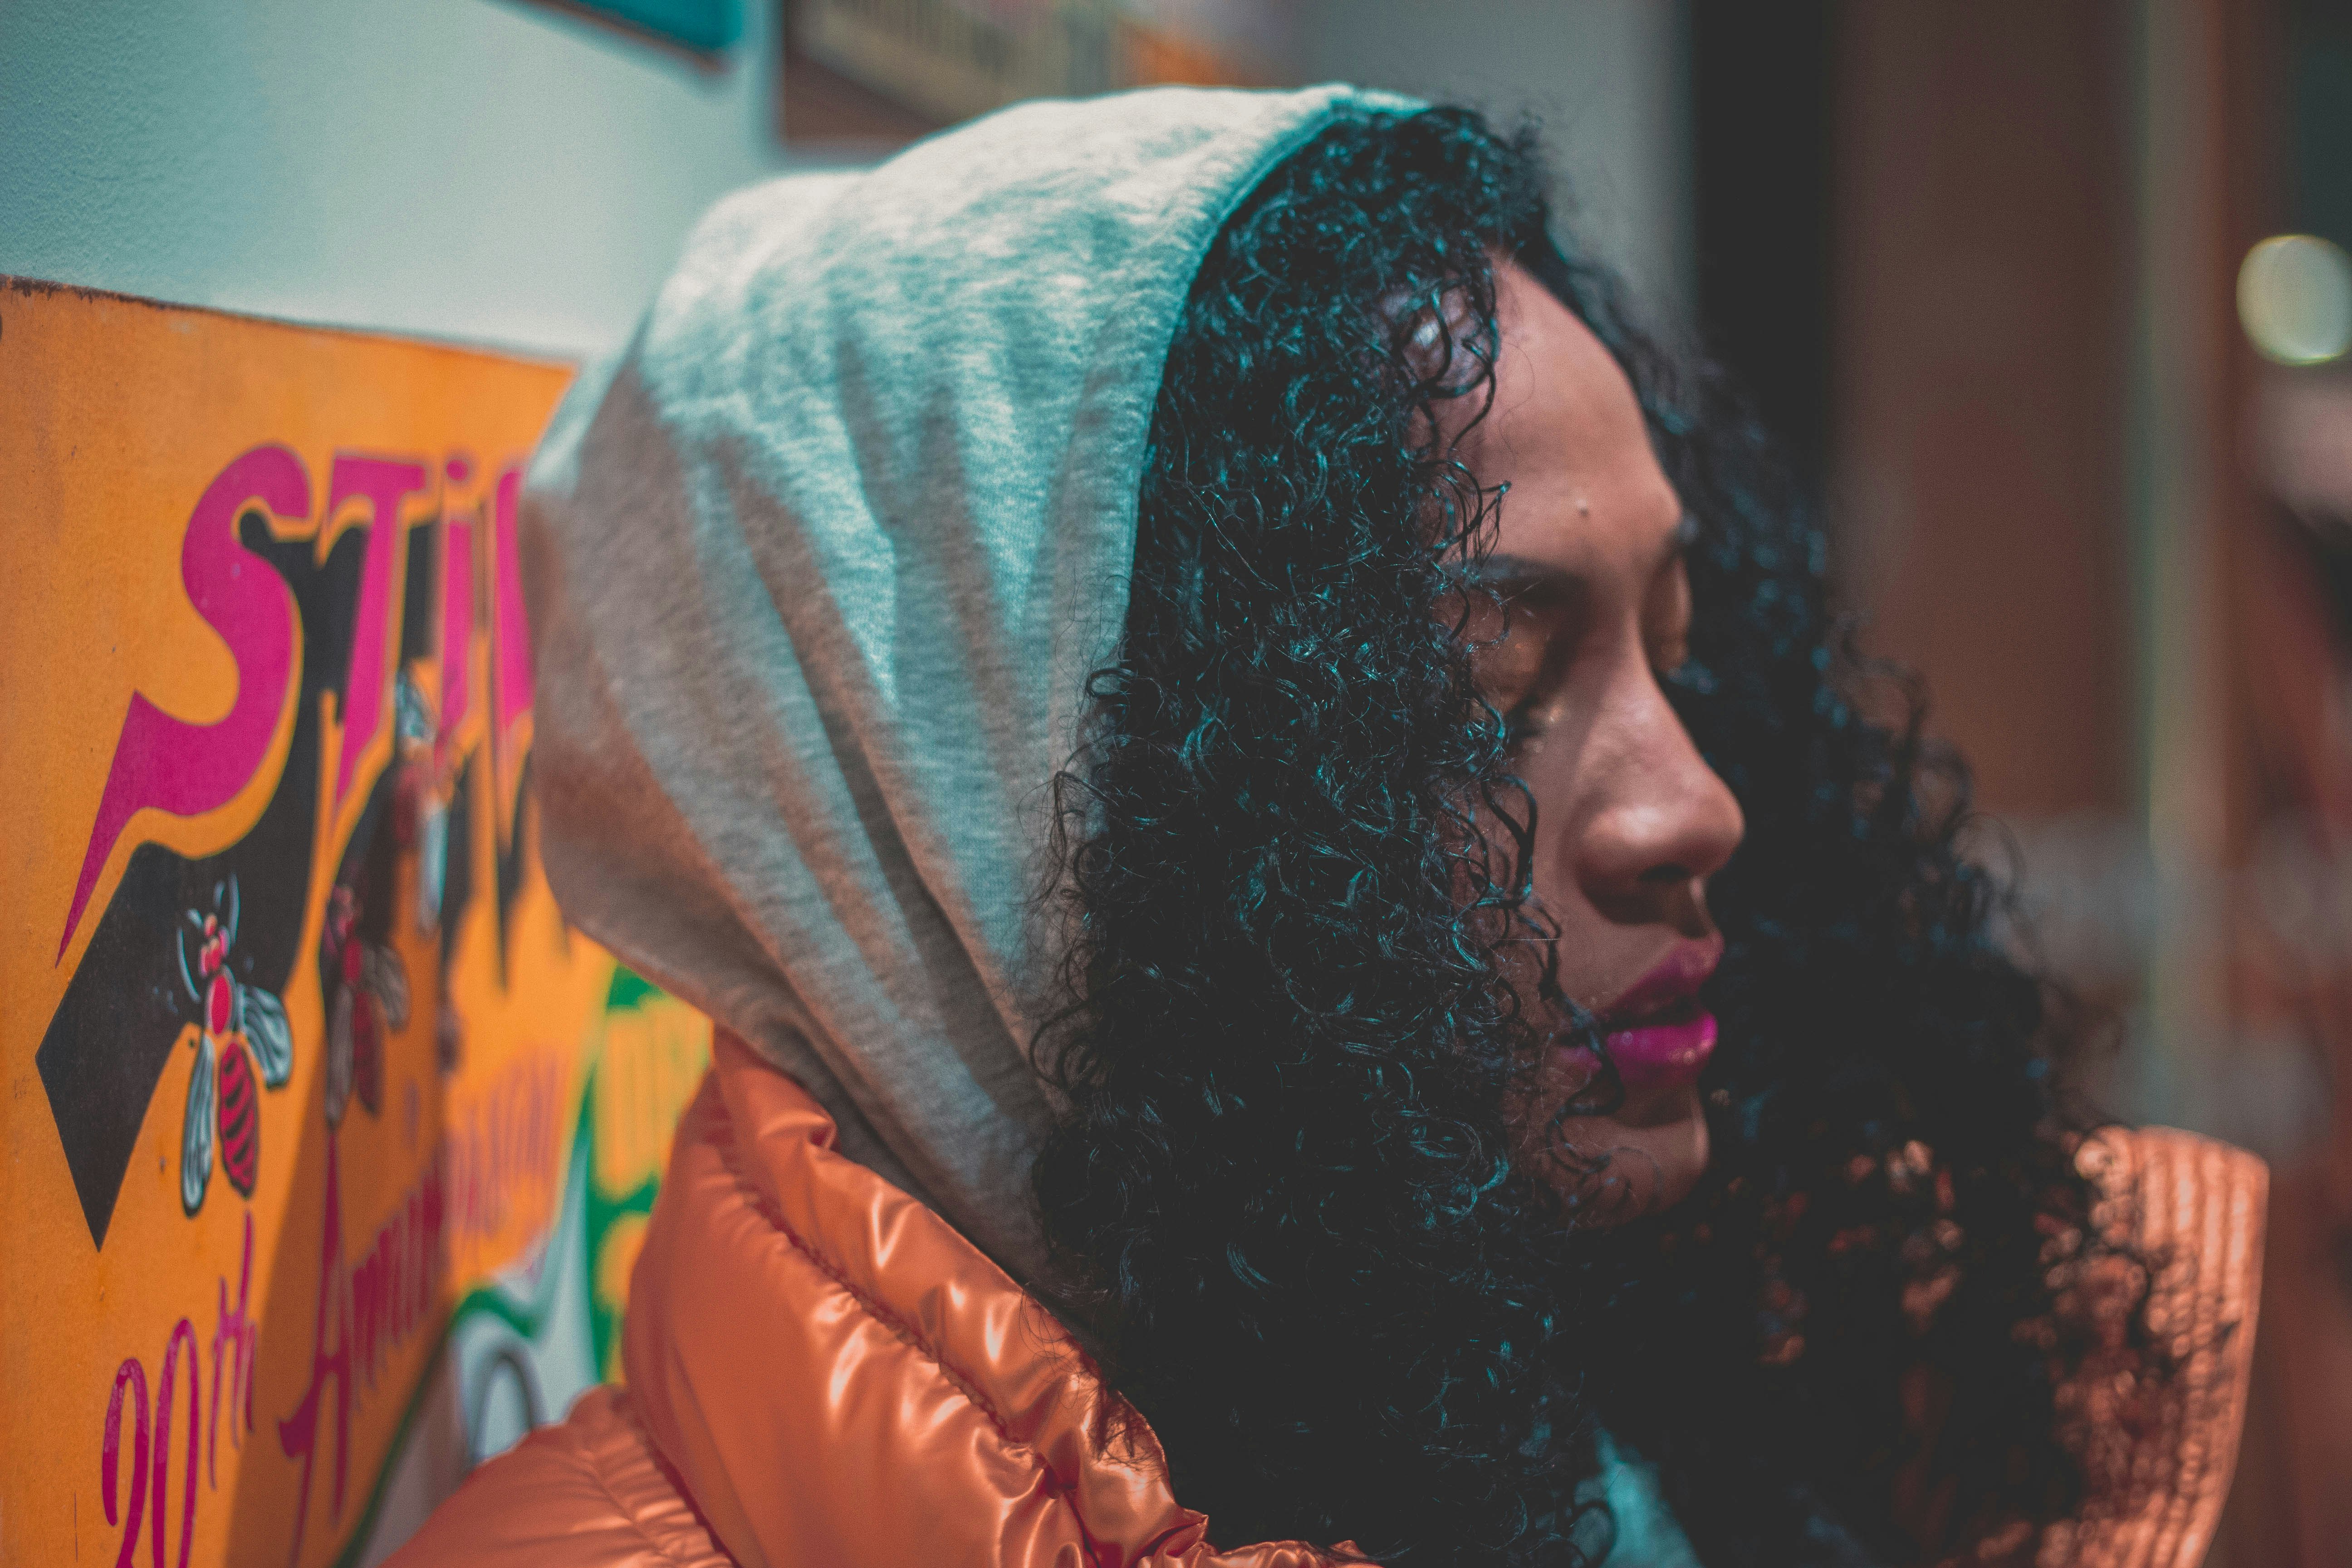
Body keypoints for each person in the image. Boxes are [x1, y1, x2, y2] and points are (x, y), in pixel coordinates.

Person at [389, 86, 2264, 1568]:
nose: (1695, 805)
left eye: (1682, 652)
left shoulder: (1731, 1425)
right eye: (1477, 689)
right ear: (939, 820)